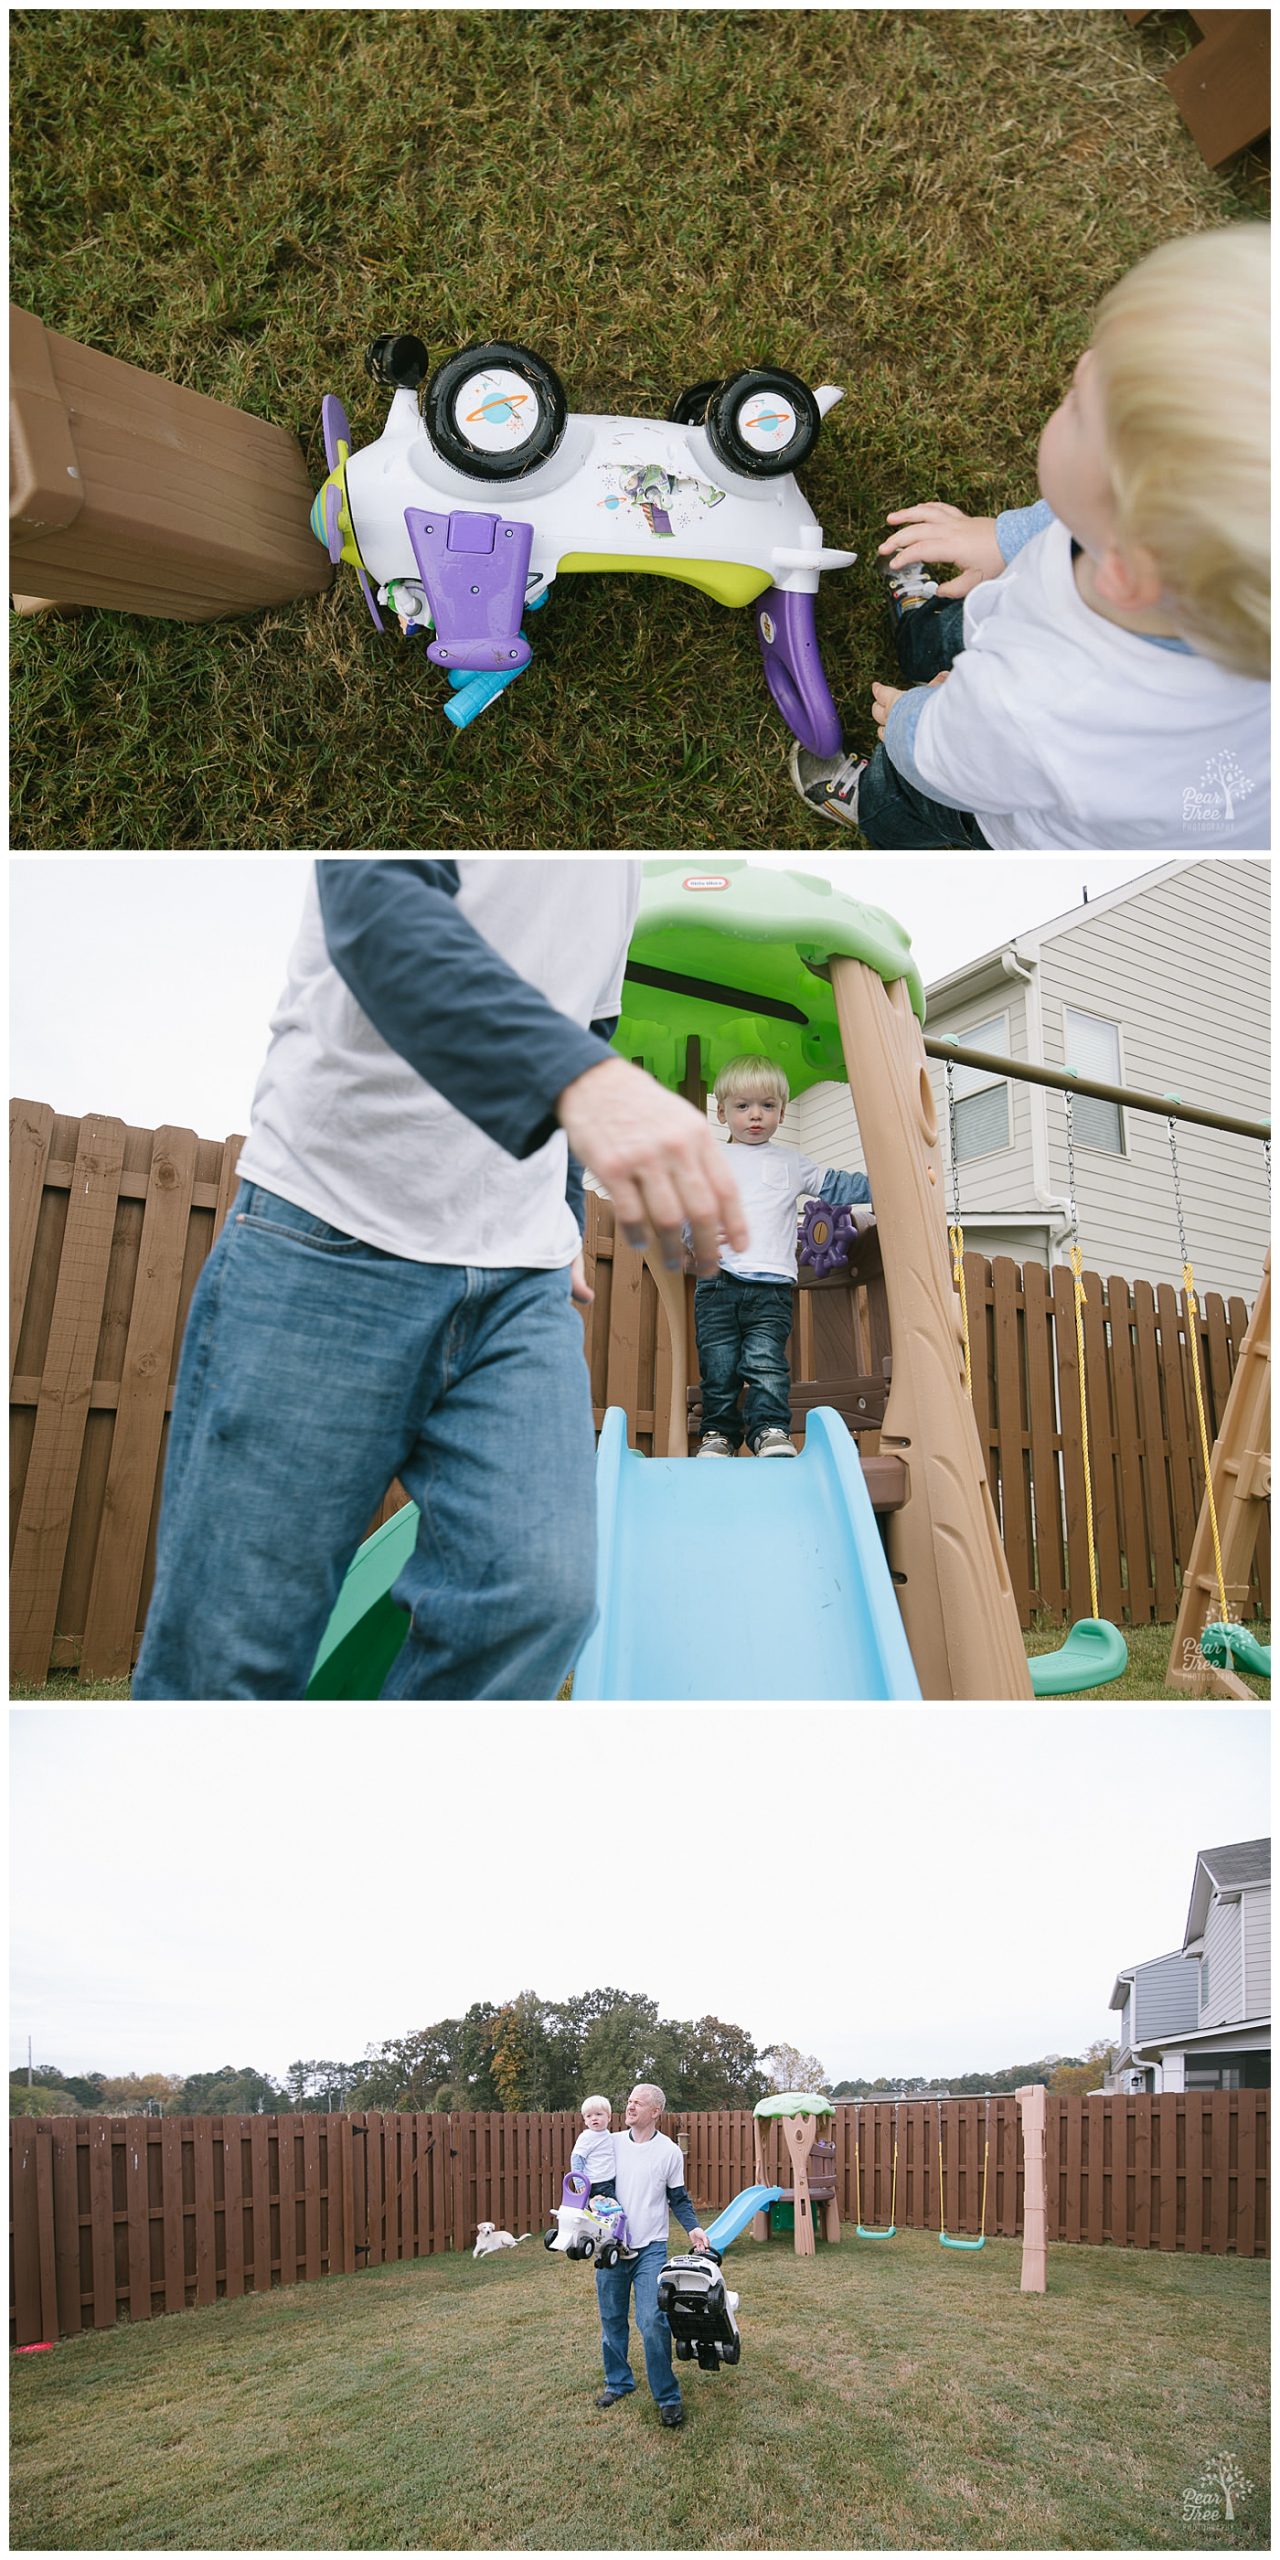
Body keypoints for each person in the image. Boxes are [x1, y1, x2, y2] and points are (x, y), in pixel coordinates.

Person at [132, 860, 747, 1701]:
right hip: (326, 1231)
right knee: (228, 1657)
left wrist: (561, 1210)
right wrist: (581, 1081)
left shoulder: (619, 880)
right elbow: (377, 914)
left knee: (533, 1601)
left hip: (518, 1281)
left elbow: (582, 1031)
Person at [790, 226, 1269, 850]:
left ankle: (875, 801)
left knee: (920, 797)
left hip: (1003, 812)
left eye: (1080, 404)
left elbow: (945, 757)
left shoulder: (1044, 705)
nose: (1083, 367)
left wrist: (911, 720)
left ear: (1123, 570)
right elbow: (1075, 525)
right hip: (1009, 680)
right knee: (963, 625)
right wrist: (1005, 538)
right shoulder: (1186, 562)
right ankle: (929, 636)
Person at [693, 1055, 870, 1459]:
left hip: (771, 1288)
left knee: (766, 1364)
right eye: (743, 1106)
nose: (755, 1116)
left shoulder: (792, 1162)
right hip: (718, 1282)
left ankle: (769, 1430)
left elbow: (838, 1186)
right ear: (722, 1112)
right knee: (718, 1366)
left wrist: (886, 1183)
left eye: (767, 1106)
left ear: (782, 1112)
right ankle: (718, 1433)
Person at [593, 2084, 709, 2429]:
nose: (629, 2107)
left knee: (652, 2320)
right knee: (612, 2318)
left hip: (650, 2248)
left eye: (637, 2103)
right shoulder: (609, 2143)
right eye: (628, 2101)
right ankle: (618, 2383)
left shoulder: (670, 2153)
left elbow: (679, 2198)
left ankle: (668, 2396)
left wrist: (693, 2228)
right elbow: (594, 2184)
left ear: (655, 2111)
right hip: (611, 2246)